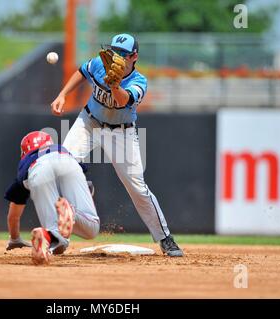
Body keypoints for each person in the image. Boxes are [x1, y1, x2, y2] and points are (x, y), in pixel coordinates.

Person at [51, 33, 183, 257]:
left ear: (134, 57)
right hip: (89, 121)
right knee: (61, 166)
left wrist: (115, 84)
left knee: (137, 188)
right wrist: (62, 94)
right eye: (114, 51)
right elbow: (82, 71)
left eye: (122, 54)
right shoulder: (98, 64)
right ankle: (60, 234)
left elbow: (122, 101)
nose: (116, 57)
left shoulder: (139, 81)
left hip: (121, 133)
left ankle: (164, 238)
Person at [4, 131, 100, 264]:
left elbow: (13, 216)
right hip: (67, 162)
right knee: (92, 229)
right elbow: (89, 187)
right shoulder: (60, 149)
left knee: (58, 238)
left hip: (37, 169)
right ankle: (69, 213)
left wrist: (15, 239)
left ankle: (49, 235)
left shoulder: (26, 163)